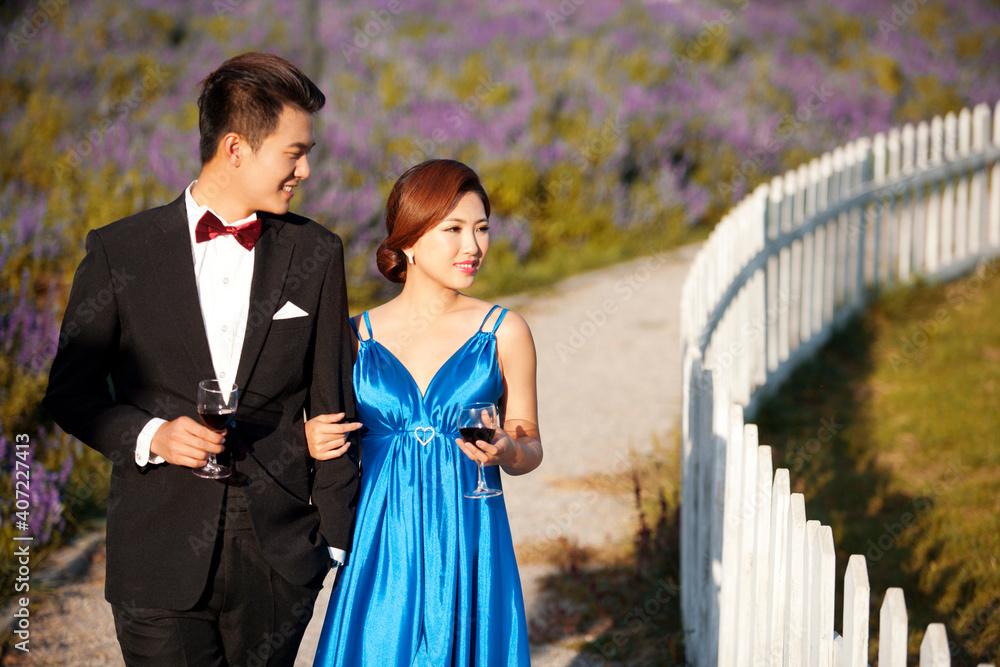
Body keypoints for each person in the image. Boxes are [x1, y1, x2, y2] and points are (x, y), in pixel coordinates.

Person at [43, 52, 360, 666]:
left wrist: (333, 545)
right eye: (294, 153)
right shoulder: (120, 251)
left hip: (279, 557)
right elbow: (69, 392)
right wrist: (152, 434)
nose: (307, 169)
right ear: (236, 148)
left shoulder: (318, 253)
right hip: (157, 551)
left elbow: (333, 403)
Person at [309, 159, 543, 666]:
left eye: (482, 229)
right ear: (408, 242)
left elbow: (530, 446)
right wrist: (311, 437)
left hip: (468, 531)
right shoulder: (352, 337)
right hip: (379, 535)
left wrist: (508, 449)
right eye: (454, 229)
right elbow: (317, 431)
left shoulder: (504, 331)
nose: (473, 246)